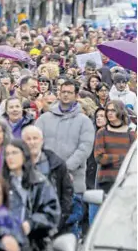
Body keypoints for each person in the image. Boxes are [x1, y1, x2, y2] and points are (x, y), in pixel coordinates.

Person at [35, 80, 94, 230]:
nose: (66, 95)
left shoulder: (84, 121)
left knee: (70, 229)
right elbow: (34, 144)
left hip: (73, 182)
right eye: (63, 92)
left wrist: (64, 170)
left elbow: (84, 148)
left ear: (76, 95)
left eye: (69, 92)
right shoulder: (44, 119)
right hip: (46, 181)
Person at [22, 125, 75, 235]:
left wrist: (59, 221)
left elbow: (67, 195)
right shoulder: (15, 164)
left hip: (50, 225)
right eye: (28, 139)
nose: (32, 142)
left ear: (42, 141)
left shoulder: (56, 164)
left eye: (35, 138)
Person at [93, 100, 136, 211]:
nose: (109, 113)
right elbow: (99, 157)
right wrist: (122, 158)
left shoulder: (130, 134)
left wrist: (112, 158)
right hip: (106, 181)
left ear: (120, 112)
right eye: (108, 110)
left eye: (113, 110)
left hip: (125, 182)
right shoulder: (102, 132)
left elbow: (133, 160)